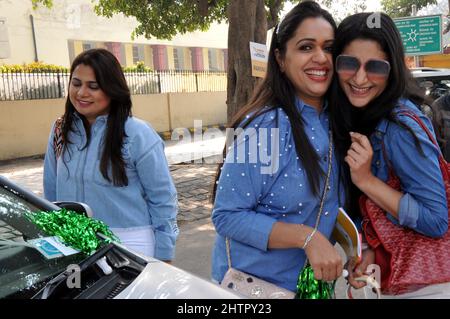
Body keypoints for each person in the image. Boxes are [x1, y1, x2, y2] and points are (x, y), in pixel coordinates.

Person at [211, 1, 344, 294]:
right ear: (281, 59)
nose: (320, 57)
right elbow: (227, 216)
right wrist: (307, 238)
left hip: (309, 286)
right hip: (254, 289)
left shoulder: (335, 122)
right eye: (306, 47)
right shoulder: (265, 126)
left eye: (329, 47)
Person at [329, 12, 449, 298]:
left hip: (426, 287)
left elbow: (436, 220)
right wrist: (367, 247)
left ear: (392, 69)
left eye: (375, 67)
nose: (359, 78)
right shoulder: (355, 118)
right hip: (391, 279)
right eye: (348, 63)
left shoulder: (399, 127)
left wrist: (367, 179)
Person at [43, 49, 178, 261]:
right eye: (76, 83)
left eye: (93, 86)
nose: (81, 93)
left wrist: (164, 252)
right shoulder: (61, 129)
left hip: (129, 244)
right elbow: (51, 191)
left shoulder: (138, 134)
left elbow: (163, 199)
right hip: (72, 241)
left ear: (112, 89)